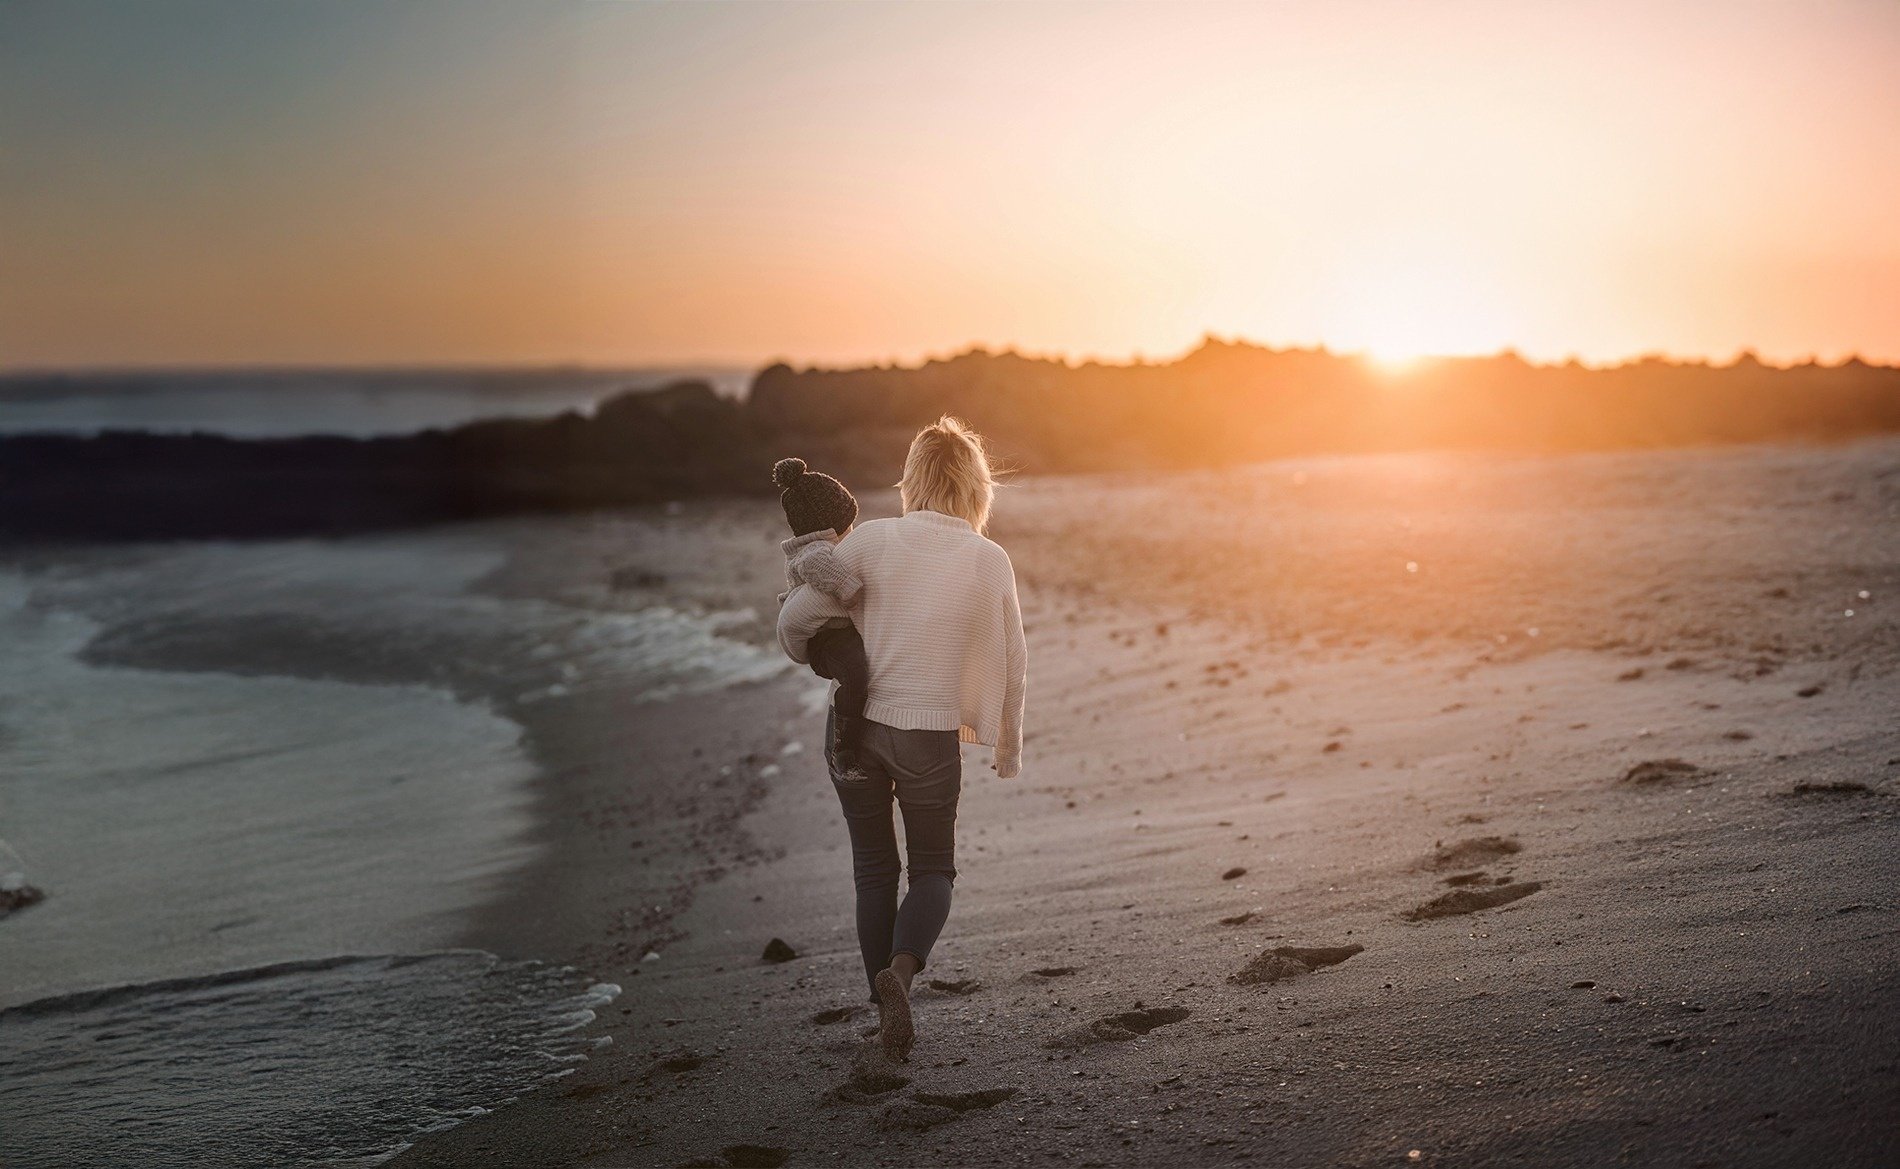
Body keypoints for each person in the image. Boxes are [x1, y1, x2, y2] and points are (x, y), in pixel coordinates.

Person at [777, 416, 1028, 1062]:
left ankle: (881, 1004)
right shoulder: (988, 559)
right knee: (933, 870)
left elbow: (794, 620)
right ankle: (902, 978)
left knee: (873, 870)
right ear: (976, 487)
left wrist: (821, 654)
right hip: (928, 738)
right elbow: (1014, 659)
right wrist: (1006, 745)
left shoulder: (871, 541)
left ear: (911, 481)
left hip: (854, 730)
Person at [771, 457, 872, 778]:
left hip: (837, 633)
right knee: (855, 672)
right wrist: (848, 587)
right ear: (829, 525)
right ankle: (845, 746)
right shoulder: (812, 551)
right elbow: (817, 565)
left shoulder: (819, 544)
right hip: (823, 639)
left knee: (864, 664)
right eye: (848, 525)